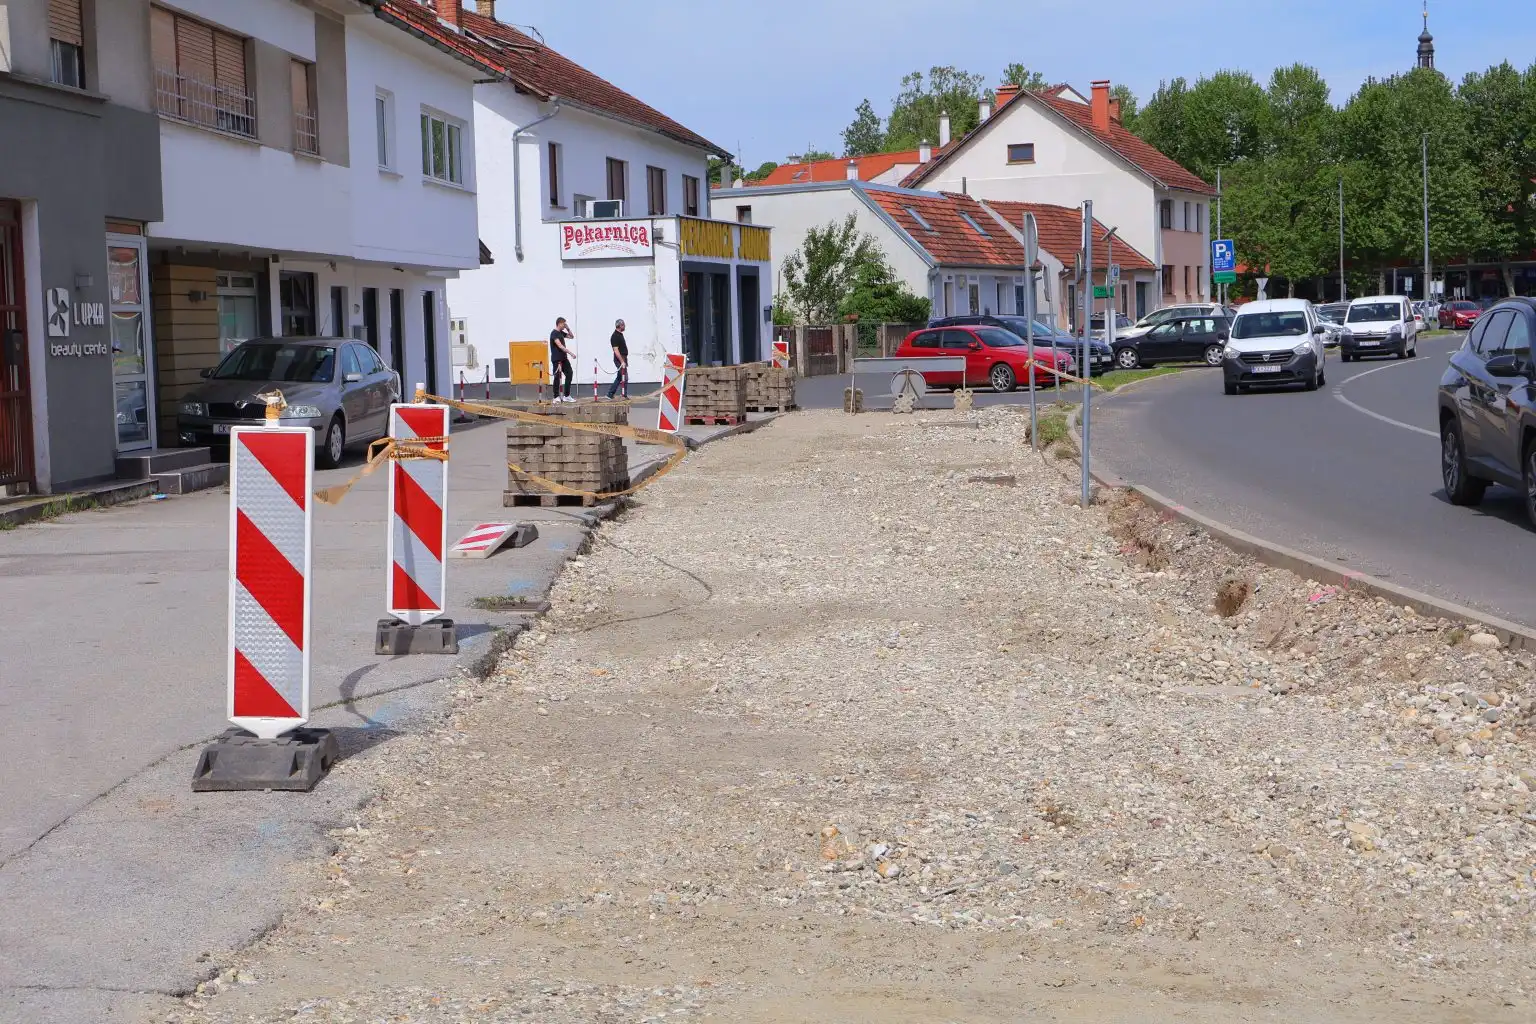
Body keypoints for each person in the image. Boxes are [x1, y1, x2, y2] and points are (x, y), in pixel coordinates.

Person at [548, 316, 575, 403]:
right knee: (557, 377)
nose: (564, 325)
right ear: (559, 323)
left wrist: (568, 328)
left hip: (564, 358)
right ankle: (556, 396)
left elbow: (572, 336)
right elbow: (560, 346)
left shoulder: (561, 333)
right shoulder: (554, 333)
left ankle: (567, 395)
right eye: (564, 324)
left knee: (569, 373)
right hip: (557, 359)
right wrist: (571, 353)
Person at [606, 319, 628, 400]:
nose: (625, 326)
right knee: (624, 377)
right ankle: (624, 396)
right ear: (620, 325)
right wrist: (622, 361)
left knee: (620, 377)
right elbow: (616, 350)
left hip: (623, 358)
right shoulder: (615, 336)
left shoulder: (620, 334)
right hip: (619, 359)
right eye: (623, 325)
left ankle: (610, 394)